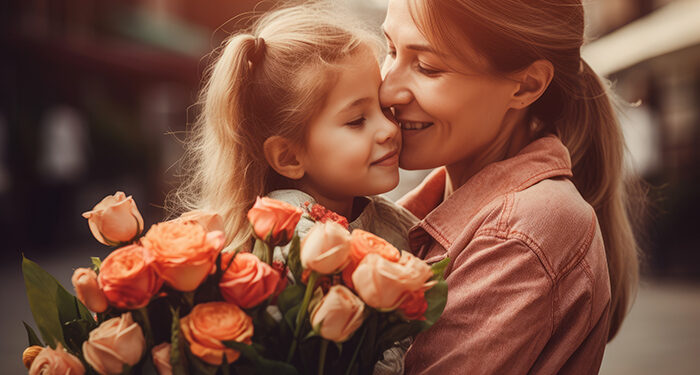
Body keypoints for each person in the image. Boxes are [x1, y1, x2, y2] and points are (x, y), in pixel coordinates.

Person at [379, 0, 642, 373]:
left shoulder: (522, 231)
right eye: (390, 49)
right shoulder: (412, 214)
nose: (388, 91)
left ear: (526, 85)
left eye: (427, 67)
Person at [168, 3, 416, 259]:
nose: (388, 128)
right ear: (289, 157)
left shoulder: (388, 220)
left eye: (385, 108)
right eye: (356, 121)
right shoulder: (294, 246)